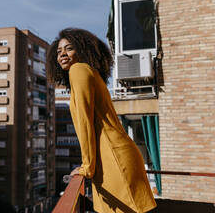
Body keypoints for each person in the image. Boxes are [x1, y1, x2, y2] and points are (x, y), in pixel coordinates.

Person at [47, 28, 156, 213]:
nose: (62, 54)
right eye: (59, 51)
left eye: (69, 48)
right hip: (115, 156)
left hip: (113, 159)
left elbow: (84, 122)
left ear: (81, 51)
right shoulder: (89, 73)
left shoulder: (78, 69)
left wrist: (87, 167)